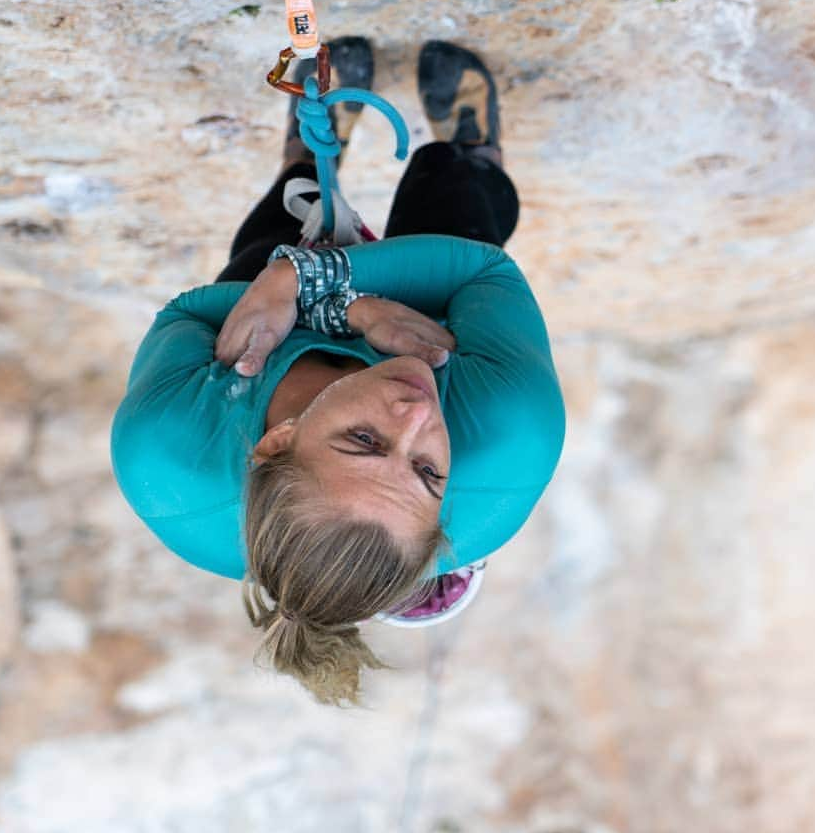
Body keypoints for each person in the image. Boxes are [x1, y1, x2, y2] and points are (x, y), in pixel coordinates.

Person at [111, 40, 565, 705]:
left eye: (363, 440)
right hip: (432, 323)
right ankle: (468, 158)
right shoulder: (505, 437)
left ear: (275, 440)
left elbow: (187, 320)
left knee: (272, 243)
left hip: (268, 350)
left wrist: (290, 271)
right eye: (428, 470)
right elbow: (482, 272)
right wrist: (350, 300)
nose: (415, 416)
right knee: (454, 206)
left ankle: (306, 158)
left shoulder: (165, 449)